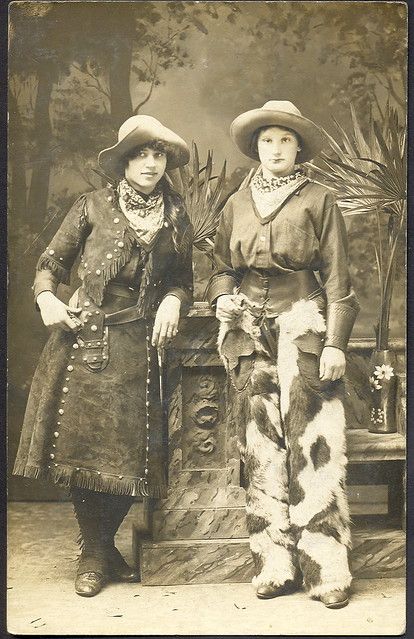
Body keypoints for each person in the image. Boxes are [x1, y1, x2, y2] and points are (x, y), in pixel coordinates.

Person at [13, 115, 194, 597]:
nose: (151, 163)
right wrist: (48, 298)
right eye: (140, 155)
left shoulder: (175, 215)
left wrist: (175, 299)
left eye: (158, 155)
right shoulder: (91, 206)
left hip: (141, 350)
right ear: (123, 162)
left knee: (131, 454)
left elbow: (183, 277)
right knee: (81, 448)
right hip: (86, 342)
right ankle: (95, 552)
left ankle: (101, 546)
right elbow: (50, 263)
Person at [206, 101, 359, 609]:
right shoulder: (235, 202)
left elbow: (340, 284)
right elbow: (223, 267)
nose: (276, 149)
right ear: (256, 147)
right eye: (267, 140)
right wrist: (221, 295)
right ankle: (275, 563)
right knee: (261, 444)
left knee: (312, 443)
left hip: (304, 323)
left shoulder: (320, 198)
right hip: (250, 332)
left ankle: (327, 569)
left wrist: (335, 343)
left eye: (285, 141)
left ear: (298, 149)